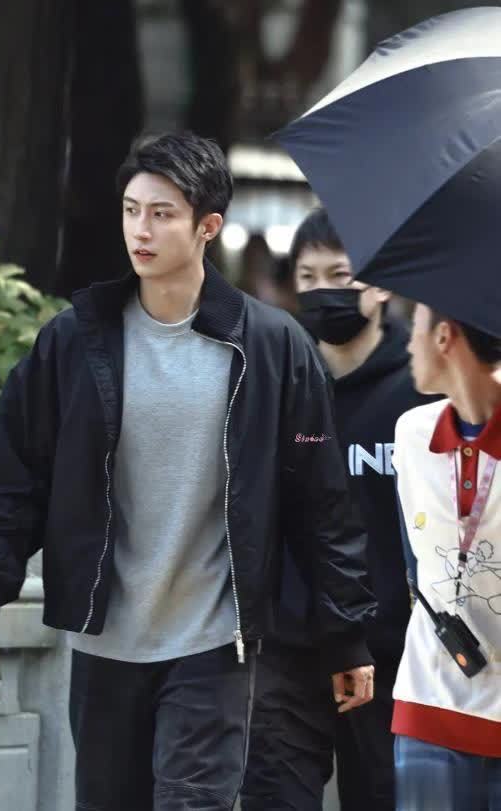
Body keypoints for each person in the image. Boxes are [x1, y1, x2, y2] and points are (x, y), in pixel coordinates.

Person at [0, 133, 375, 811]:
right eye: (130, 210)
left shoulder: (271, 347)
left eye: (161, 214)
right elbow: (13, 471)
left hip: (214, 643)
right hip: (106, 640)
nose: (140, 230)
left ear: (209, 226)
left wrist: (343, 635)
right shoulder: (78, 339)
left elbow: (320, 501)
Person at [242, 208, 435, 811]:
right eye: (308, 277)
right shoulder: (278, 382)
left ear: (379, 284)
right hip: (289, 648)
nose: (323, 291)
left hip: (393, 654)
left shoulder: (422, 390)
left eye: (340, 275)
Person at [391, 304, 501, 810]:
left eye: (414, 329)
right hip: (429, 704)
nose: (407, 344)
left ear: (443, 337)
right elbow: (416, 564)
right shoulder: (411, 433)